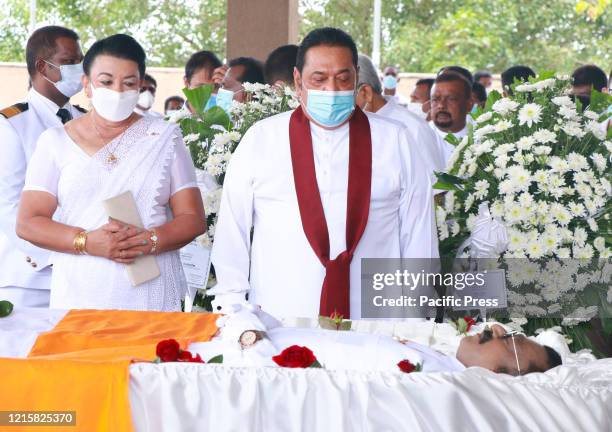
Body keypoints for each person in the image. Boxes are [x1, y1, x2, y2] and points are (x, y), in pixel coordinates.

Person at [210, 28, 438, 327]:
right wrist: (235, 313)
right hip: (279, 318)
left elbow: (418, 235)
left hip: (379, 324)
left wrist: (415, 321)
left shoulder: (396, 140)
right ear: (297, 80)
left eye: (343, 79)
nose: (332, 90)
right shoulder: (262, 139)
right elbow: (232, 234)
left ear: (357, 77)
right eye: (319, 79)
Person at [16, 34, 206, 311]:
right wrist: (87, 241)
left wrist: (148, 241)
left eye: (128, 83)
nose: (117, 91)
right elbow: (29, 222)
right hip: (79, 293)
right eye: (106, 81)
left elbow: (192, 218)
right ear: (87, 85)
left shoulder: (164, 137)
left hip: (151, 293)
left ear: (140, 85)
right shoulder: (55, 141)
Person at [0, 25, 86, 307]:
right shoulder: (12, 124)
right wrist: (62, 253)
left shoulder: (88, 121)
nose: (80, 68)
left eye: (81, 60)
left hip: (86, 272)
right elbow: (8, 206)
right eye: (70, 62)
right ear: (43, 66)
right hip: (32, 276)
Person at [356, 54, 444, 181]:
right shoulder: (349, 128)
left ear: (365, 92)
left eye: (343, 91)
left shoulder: (413, 128)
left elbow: (438, 189)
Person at [429, 73, 473, 166]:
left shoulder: (484, 136)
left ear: (469, 104)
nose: (441, 105)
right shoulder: (418, 136)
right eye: (435, 99)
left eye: (451, 99)